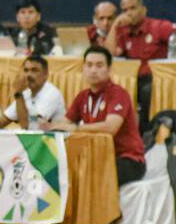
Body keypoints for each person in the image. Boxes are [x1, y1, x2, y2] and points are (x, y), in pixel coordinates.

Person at [51, 46, 145, 186]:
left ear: (109, 69)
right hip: (97, 157)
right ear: (83, 68)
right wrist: (54, 126)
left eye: (99, 65)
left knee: (94, 176)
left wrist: (75, 128)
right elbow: (64, 124)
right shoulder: (82, 97)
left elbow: (110, 128)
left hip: (127, 160)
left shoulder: (118, 94)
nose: (93, 70)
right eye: (89, 65)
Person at [103, 0, 176, 133]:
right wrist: (114, 27)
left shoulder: (157, 26)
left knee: (146, 91)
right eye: (125, 10)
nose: (129, 13)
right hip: (132, 79)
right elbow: (109, 54)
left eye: (133, 8)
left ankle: (145, 134)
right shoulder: (124, 31)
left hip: (154, 79)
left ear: (143, 9)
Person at [0, 54, 66, 129]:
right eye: (26, 70)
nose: (28, 75)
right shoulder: (26, 93)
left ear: (45, 74)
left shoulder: (52, 93)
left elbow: (29, 127)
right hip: (33, 139)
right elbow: (2, 121)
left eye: (34, 70)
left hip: (50, 140)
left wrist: (19, 94)